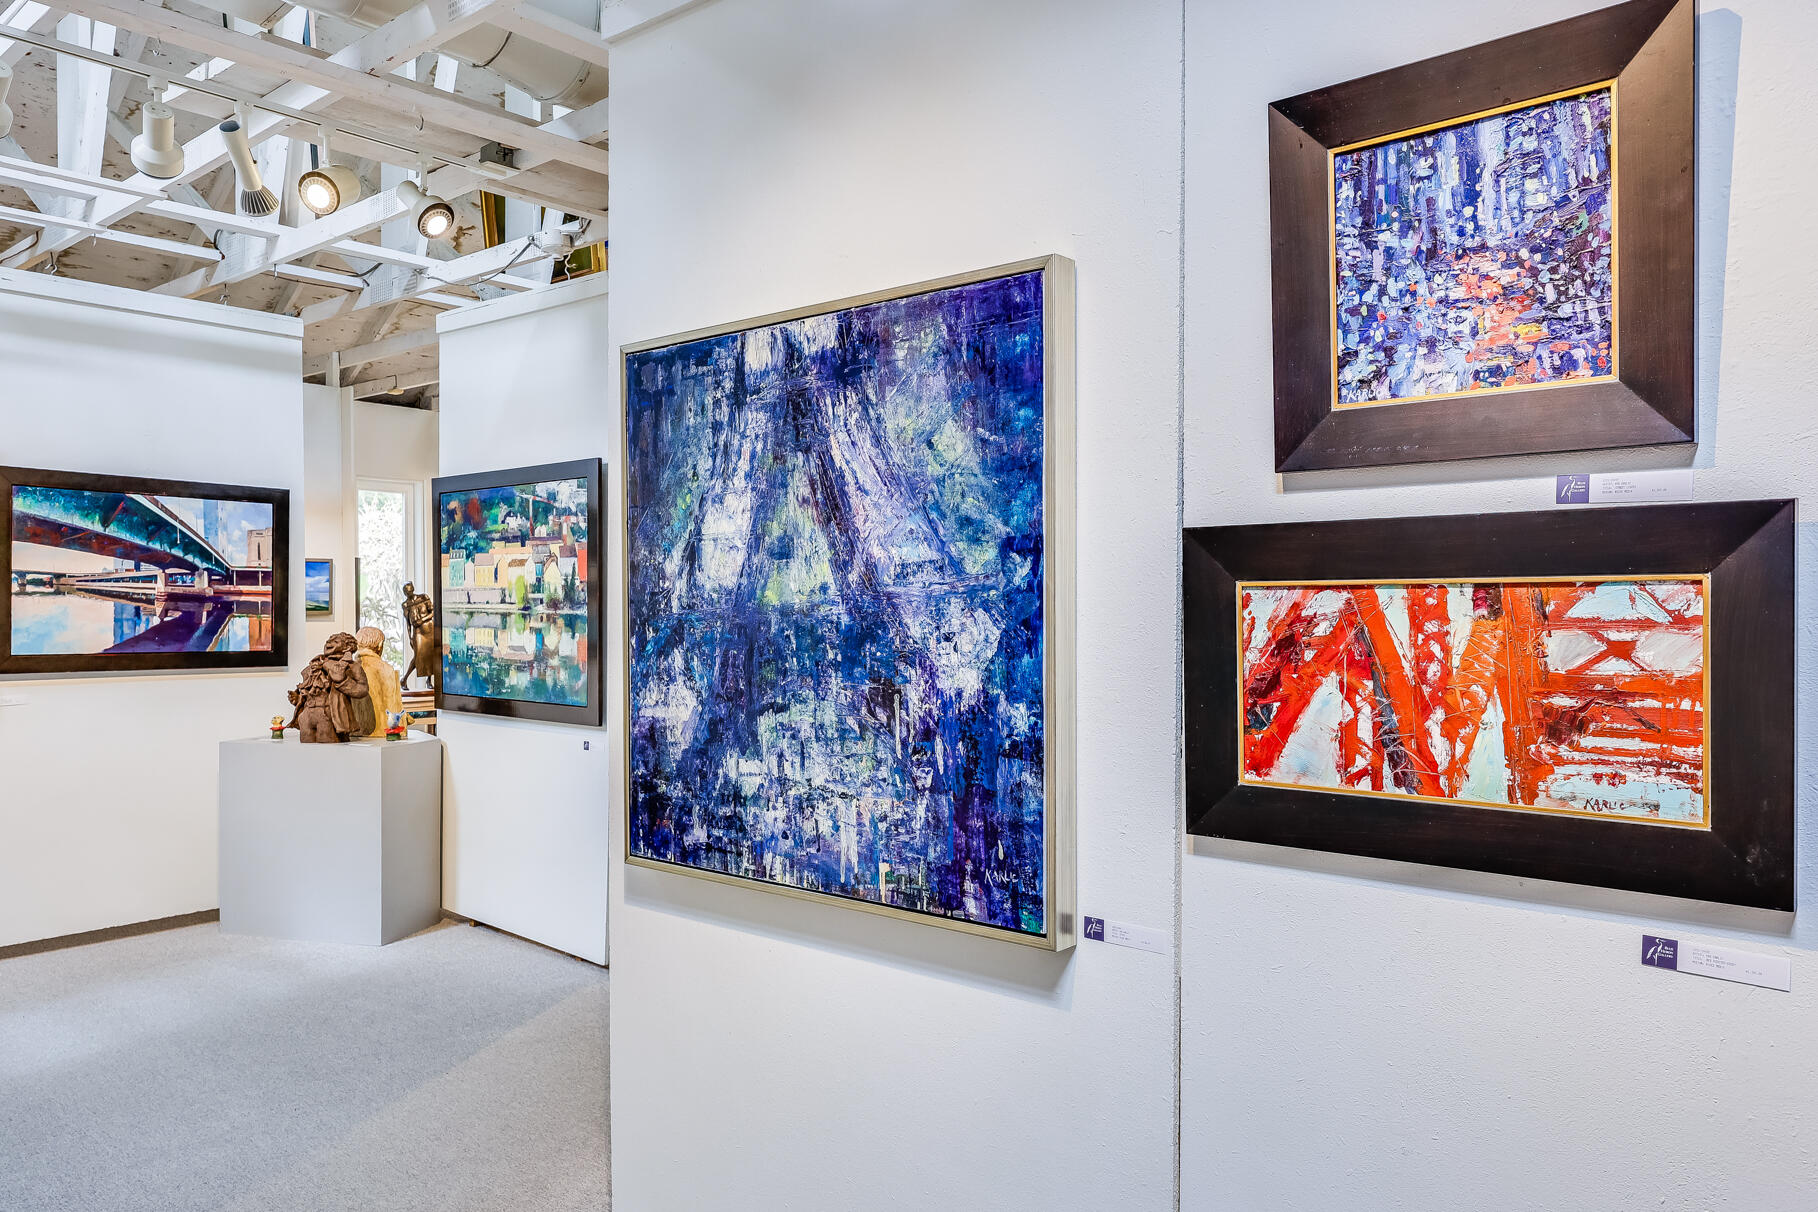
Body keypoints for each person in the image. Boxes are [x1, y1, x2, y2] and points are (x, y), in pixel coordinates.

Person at [287, 632, 372, 743]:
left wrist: (343, 681)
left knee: (328, 748)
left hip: (329, 715)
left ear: (347, 647)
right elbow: (310, 691)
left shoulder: (351, 666)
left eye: (335, 642)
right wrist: (298, 699)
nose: (329, 643)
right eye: (328, 641)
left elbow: (362, 690)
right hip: (307, 715)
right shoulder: (315, 664)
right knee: (306, 749)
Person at [355, 627, 403, 738]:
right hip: (382, 732)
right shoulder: (386, 669)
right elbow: (393, 705)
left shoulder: (349, 668)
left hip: (355, 733)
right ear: (380, 645)